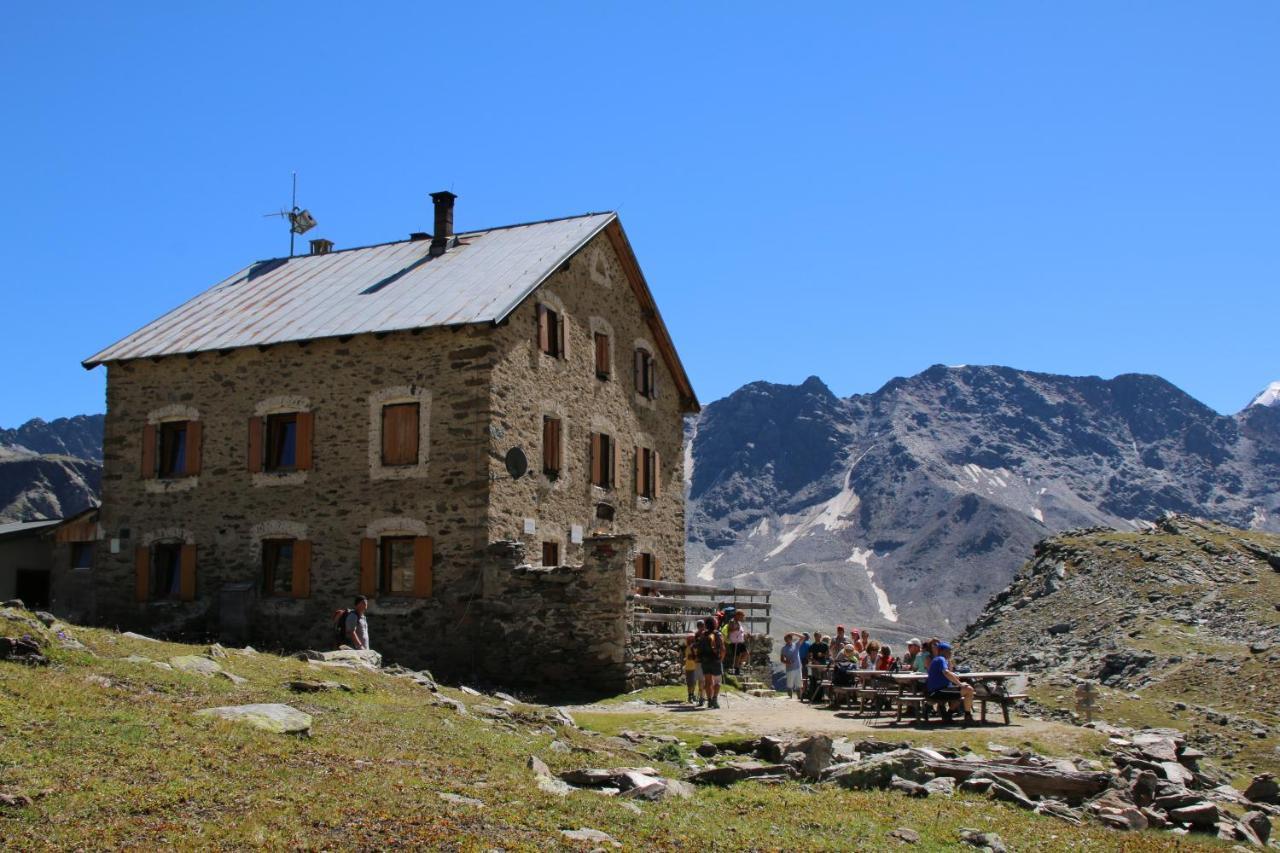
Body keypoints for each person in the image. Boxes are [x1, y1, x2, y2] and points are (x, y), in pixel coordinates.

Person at [926, 641, 975, 724]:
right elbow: (946, 672)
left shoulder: (938, 659)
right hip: (938, 691)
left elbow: (948, 672)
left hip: (938, 690)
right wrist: (959, 684)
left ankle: (948, 715)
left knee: (958, 697)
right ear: (942, 651)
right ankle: (967, 716)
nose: (950, 653)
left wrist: (955, 676)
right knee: (969, 690)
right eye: (948, 651)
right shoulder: (941, 659)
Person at [698, 617, 726, 709]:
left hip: (705, 660)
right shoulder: (717, 634)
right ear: (714, 624)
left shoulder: (703, 634)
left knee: (708, 681)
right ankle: (714, 699)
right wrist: (721, 658)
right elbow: (722, 648)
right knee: (717, 681)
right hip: (715, 660)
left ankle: (709, 700)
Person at [683, 632, 705, 705]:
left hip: (694, 667)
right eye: (689, 639)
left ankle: (695, 696)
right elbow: (689, 657)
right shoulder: (689, 648)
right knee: (691, 684)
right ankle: (690, 696)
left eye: (692, 638)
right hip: (690, 668)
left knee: (696, 683)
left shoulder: (694, 647)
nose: (691, 640)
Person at [780, 633, 803, 698]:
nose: (787, 640)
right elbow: (782, 659)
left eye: (789, 638)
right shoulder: (784, 648)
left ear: (791, 639)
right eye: (786, 639)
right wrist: (787, 662)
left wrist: (793, 633)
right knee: (790, 685)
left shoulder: (796, 645)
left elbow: (803, 637)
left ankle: (800, 699)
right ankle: (790, 699)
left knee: (799, 685)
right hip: (790, 669)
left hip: (798, 668)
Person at [726, 610, 749, 675]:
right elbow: (730, 630)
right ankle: (737, 670)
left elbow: (740, 631)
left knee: (746, 654)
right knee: (737, 656)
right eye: (741, 616)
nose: (742, 618)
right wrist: (735, 629)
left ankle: (738, 666)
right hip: (735, 642)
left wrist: (745, 635)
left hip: (740, 642)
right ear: (737, 615)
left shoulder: (739, 623)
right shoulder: (732, 621)